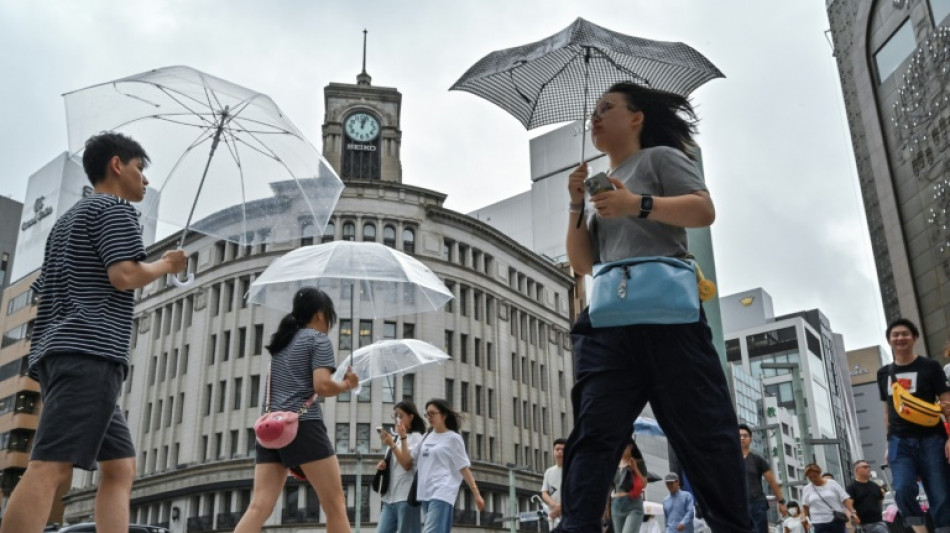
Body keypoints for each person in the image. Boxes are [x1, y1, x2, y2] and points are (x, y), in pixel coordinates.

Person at [559, 81, 754, 533]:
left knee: (706, 434)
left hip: (670, 319)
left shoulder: (662, 158)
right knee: (593, 435)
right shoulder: (598, 192)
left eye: (607, 108)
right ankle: (576, 526)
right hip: (608, 324)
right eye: (594, 111)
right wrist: (576, 205)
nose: (596, 116)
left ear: (637, 117)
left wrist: (636, 204)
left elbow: (703, 211)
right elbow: (583, 262)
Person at [0, 133, 187, 533]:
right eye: (141, 169)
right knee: (49, 466)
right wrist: (165, 266)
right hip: (90, 351)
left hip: (60, 352)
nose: (145, 181)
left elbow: (43, 291)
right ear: (117, 165)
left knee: (120, 467)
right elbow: (125, 275)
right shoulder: (115, 210)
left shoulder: (66, 221)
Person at [234, 287, 359, 533]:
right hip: (303, 426)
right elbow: (322, 386)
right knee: (335, 504)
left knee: (259, 506)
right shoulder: (318, 339)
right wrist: (347, 384)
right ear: (321, 314)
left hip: (270, 429)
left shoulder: (282, 344)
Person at [876, 318, 950, 533]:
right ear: (889, 340)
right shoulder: (884, 373)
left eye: (905, 334)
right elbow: (887, 410)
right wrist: (888, 443)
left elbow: (946, 402)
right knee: (902, 488)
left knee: (940, 492)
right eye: (895, 335)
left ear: (914, 338)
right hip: (899, 440)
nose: (900, 338)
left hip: (932, 438)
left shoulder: (930, 367)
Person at [412, 399, 485, 533]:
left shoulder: (453, 438)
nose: (429, 417)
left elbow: (463, 467)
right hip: (424, 492)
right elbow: (410, 459)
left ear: (444, 415)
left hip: (443, 490)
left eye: (433, 413)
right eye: (427, 414)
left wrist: (477, 494)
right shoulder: (426, 437)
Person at [376, 401, 427, 533]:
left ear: (411, 417)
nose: (397, 419)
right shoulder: (397, 438)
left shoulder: (416, 437)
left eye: (401, 415)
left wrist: (393, 443)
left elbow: (406, 464)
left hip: (406, 497)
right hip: (389, 498)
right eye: (395, 416)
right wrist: (383, 465)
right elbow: (395, 463)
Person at [738, 423, 788, 532]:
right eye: (739, 436)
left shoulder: (758, 460)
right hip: (737, 504)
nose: (742, 438)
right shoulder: (729, 460)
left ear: (750, 439)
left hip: (757, 504)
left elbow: (772, 482)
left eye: (745, 435)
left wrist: (781, 502)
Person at [801, 463, 855, 533]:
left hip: (836, 520)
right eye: (810, 477)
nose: (813, 479)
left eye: (815, 476)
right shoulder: (807, 489)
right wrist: (804, 517)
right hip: (818, 522)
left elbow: (845, 499)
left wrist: (853, 513)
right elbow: (805, 507)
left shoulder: (832, 483)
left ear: (819, 473)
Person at [608, 439, 648, 533]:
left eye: (624, 446)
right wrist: (606, 508)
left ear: (631, 447)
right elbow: (610, 487)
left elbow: (644, 484)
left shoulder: (638, 462)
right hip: (616, 505)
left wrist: (635, 469)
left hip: (633, 505)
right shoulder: (614, 463)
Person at [845, 460, 887, 533]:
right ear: (856, 470)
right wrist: (853, 516)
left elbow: (880, 502)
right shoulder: (852, 488)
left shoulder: (875, 486)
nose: (868, 469)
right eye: (865, 467)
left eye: (869, 467)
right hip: (862, 524)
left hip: (878, 522)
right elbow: (848, 505)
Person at [541, 438, 567, 529]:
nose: (559, 452)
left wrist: (560, 508)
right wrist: (555, 506)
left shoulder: (573, 470)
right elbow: (544, 493)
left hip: (569, 514)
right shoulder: (549, 472)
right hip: (553, 515)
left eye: (563, 450)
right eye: (557, 449)